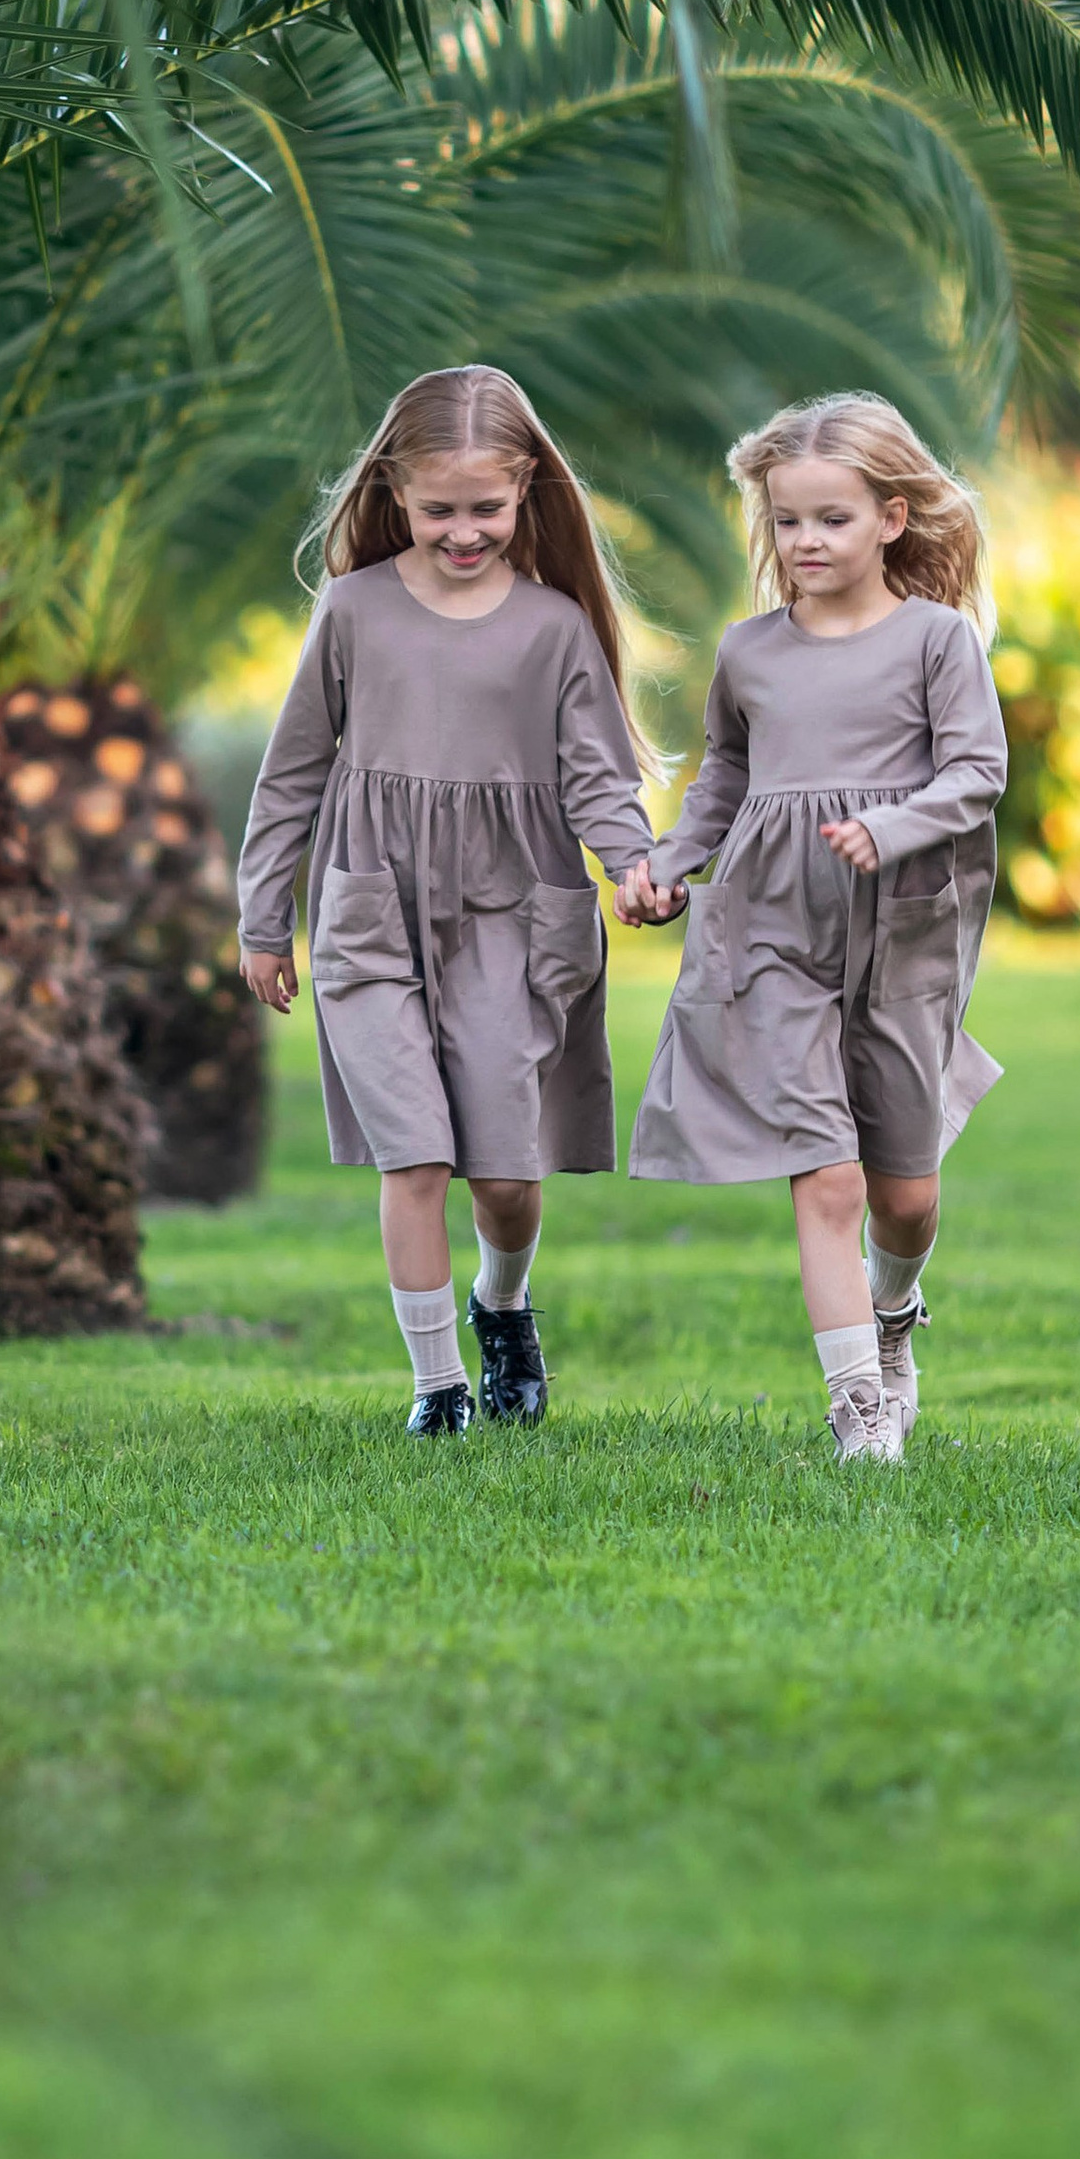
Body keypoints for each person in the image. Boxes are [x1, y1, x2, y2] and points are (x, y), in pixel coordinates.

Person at [235, 364, 657, 1437]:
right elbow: (292, 771)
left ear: (525, 491)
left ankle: (502, 1305)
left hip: (514, 918)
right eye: (437, 509)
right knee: (414, 1153)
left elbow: (598, 778)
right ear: (392, 492)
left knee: (504, 1179)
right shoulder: (354, 609)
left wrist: (633, 865)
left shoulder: (555, 627)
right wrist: (261, 918)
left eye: (485, 508)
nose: (461, 531)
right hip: (371, 908)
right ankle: (437, 1386)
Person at [620, 392, 1006, 1462]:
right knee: (824, 1174)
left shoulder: (936, 643)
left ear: (890, 518)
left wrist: (893, 829)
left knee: (906, 1197)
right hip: (769, 924)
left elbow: (979, 774)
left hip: (903, 930)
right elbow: (723, 782)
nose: (804, 543)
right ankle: (859, 1413)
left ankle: (894, 1321)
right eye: (786, 522)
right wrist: (665, 861)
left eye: (830, 520)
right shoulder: (748, 653)